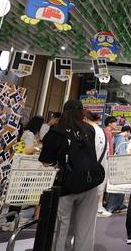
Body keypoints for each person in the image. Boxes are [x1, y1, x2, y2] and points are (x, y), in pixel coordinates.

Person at [39, 100, 102, 251]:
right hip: (90, 182)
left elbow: (46, 161)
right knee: (85, 228)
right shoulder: (89, 129)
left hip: (66, 186)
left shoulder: (55, 132)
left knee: (61, 227)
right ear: (81, 112)